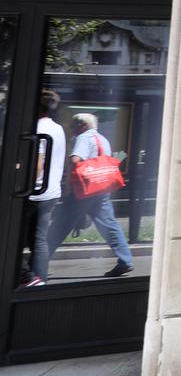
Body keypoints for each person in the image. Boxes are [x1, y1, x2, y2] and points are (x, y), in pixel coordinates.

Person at [47, 113, 134, 278]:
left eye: (74, 125)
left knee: (59, 226)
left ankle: (38, 265)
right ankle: (125, 260)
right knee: (109, 225)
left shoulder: (84, 138)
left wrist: (68, 186)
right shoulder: (103, 139)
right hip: (101, 190)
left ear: (83, 125)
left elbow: (75, 160)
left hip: (84, 191)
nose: (72, 128)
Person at [20, 91, 68, 285]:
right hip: (51, 192)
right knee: (39, 240)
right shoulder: (58, 128)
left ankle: (27, 276)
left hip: (34, 193)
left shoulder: (38, 128)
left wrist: (25, 187)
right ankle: (40, 281)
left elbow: (37, 165)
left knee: (12, 236)